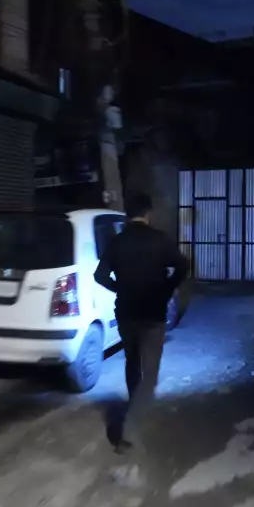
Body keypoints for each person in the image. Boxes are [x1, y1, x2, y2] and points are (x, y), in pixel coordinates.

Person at [94, 191, 188, 453]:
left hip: (126, 311)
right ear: (148, 213)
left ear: (128, 214)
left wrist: (120, 288)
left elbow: (100, 276)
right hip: (152, 312)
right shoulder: (159, 240)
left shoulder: (118, 242)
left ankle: (136, 406)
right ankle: (130, 428)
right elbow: (182, 267)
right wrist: (166, 288)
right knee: (150, 373)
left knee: (132, 363)